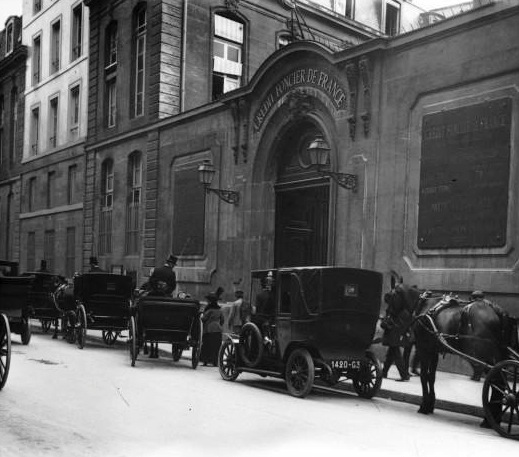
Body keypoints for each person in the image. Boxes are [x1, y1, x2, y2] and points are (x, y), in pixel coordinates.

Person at [200, 290, 224, 366]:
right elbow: (222, 320)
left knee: (207, 345)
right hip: (218, 329)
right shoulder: (220, 310)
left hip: (209, 329)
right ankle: (215, 361)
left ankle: (205, 361)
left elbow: (203, 319)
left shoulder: (209, 310)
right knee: (216, 346)